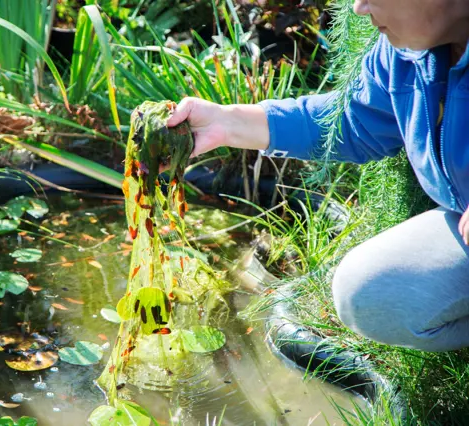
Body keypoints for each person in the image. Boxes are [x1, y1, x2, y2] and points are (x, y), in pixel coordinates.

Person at [167, 0, 469, 352]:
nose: (358, 7)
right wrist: (226, 123)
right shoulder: (409, 55)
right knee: (370, 293)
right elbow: (353, 123)